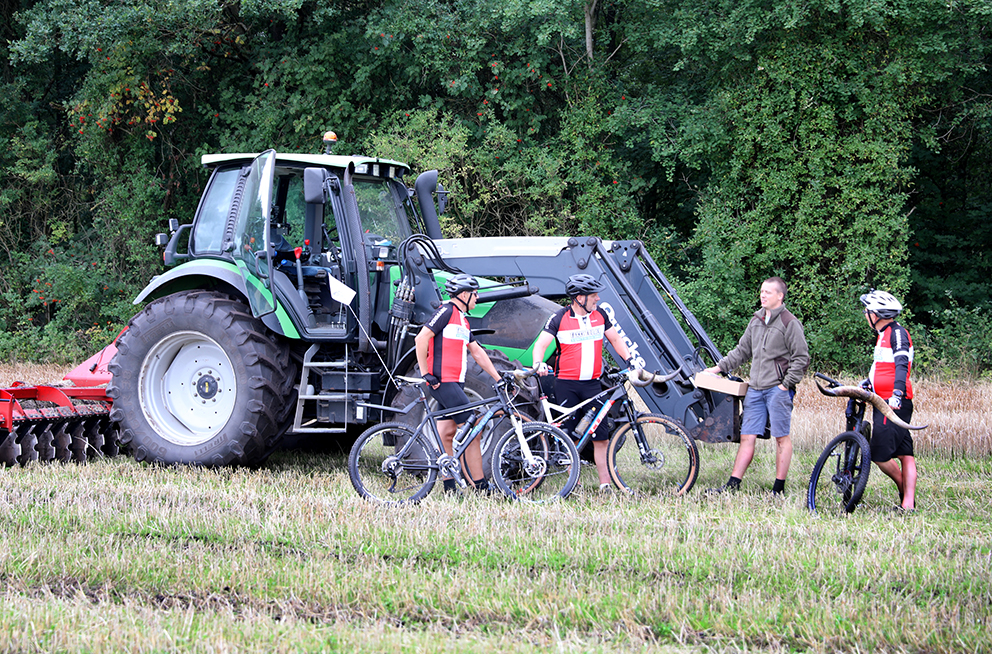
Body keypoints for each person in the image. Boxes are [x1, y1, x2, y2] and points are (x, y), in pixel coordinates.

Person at [531, 273, 637, 491]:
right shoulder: (559, 318)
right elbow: (540, 345)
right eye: (593, 295)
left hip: (592, 385)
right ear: (579, 298)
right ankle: (574, 484)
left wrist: (629, 361)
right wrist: (538, 363)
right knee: (568, 435)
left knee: (601, 437)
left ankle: (605, 484)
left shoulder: (600, 315)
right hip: (566, 384)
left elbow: (615, 339)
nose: (597, 298)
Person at [704, 276, 809, 495]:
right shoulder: (756, 320)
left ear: (780, 296)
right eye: (761, 291)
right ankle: (733, 485)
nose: (762, 295)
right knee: (747, 436)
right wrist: (717, 369)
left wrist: (785, 385)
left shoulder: (790, 323)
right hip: (755, 389)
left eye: (768, 292)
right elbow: (742, 351)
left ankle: (778, 489)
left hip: (777, 390)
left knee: (781, 438)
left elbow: (801, 358)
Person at [415, 273, 502, 493]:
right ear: (463, 294)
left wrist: (498, 378)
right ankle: (481, 486)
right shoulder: (445, 312)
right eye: (475, 294)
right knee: (473, 430)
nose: (477, 298)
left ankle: (449, 487)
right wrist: (426, 373)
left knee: (446, 433)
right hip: (442, 381)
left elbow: (477, 352)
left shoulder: (462, 318)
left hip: (455, 381)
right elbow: (421, 338)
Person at [860, 289, 917, 512]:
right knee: (905, 453)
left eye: (867, 311)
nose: (865, 315)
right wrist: (867, 383)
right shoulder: (883, 335)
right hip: (883, 398)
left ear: (876, 314)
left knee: (880, 454)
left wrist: (897, 394)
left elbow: (902, 365)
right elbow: (883, 368)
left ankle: (904, 489)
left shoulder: (897, 333)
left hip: (892, 402)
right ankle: (908, 503)